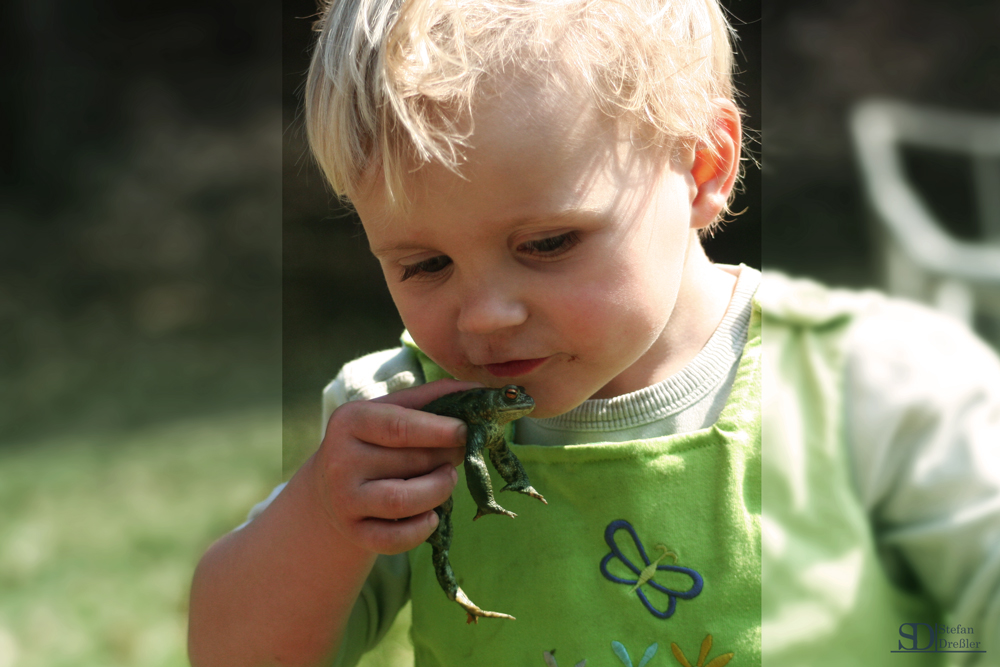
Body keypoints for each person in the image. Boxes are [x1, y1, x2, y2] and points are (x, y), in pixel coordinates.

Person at [188, 0, 1000, 665]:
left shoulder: (871, 383)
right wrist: (326, 521)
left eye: (547, 244)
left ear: (703, 167)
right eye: (425, 263)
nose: (484, 315)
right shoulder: (401, 425)